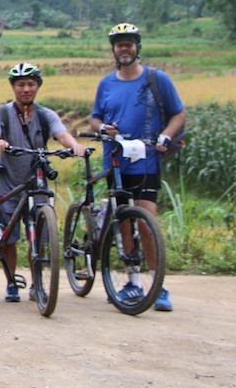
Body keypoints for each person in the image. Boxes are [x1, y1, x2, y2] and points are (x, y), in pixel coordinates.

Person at [90, 23, 185, 312]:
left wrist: (166, 136)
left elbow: (179, 113)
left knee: (145, 222)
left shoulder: (158, 79)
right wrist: (104, 128)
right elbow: (94, 119)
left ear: (137, 47)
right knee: (124, 222)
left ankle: (158, 284)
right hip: (116, 162)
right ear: (114, 50)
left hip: (146, 161)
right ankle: (132, 280)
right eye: (119, 44)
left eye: (129, 43)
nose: (124, 48)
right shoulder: (106, 84)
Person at [0, 62, 86, 302]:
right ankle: (11, 282)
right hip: (9, 182)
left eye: (31, 84)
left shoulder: (45, 114)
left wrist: (74, 146)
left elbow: (61, 133)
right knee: (8, 237)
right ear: (13, 87)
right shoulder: (2, 112)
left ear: (38, 86)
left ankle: (37, 283)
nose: (26, 89)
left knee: (39, 235)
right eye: (21, 84)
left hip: (37, 182)